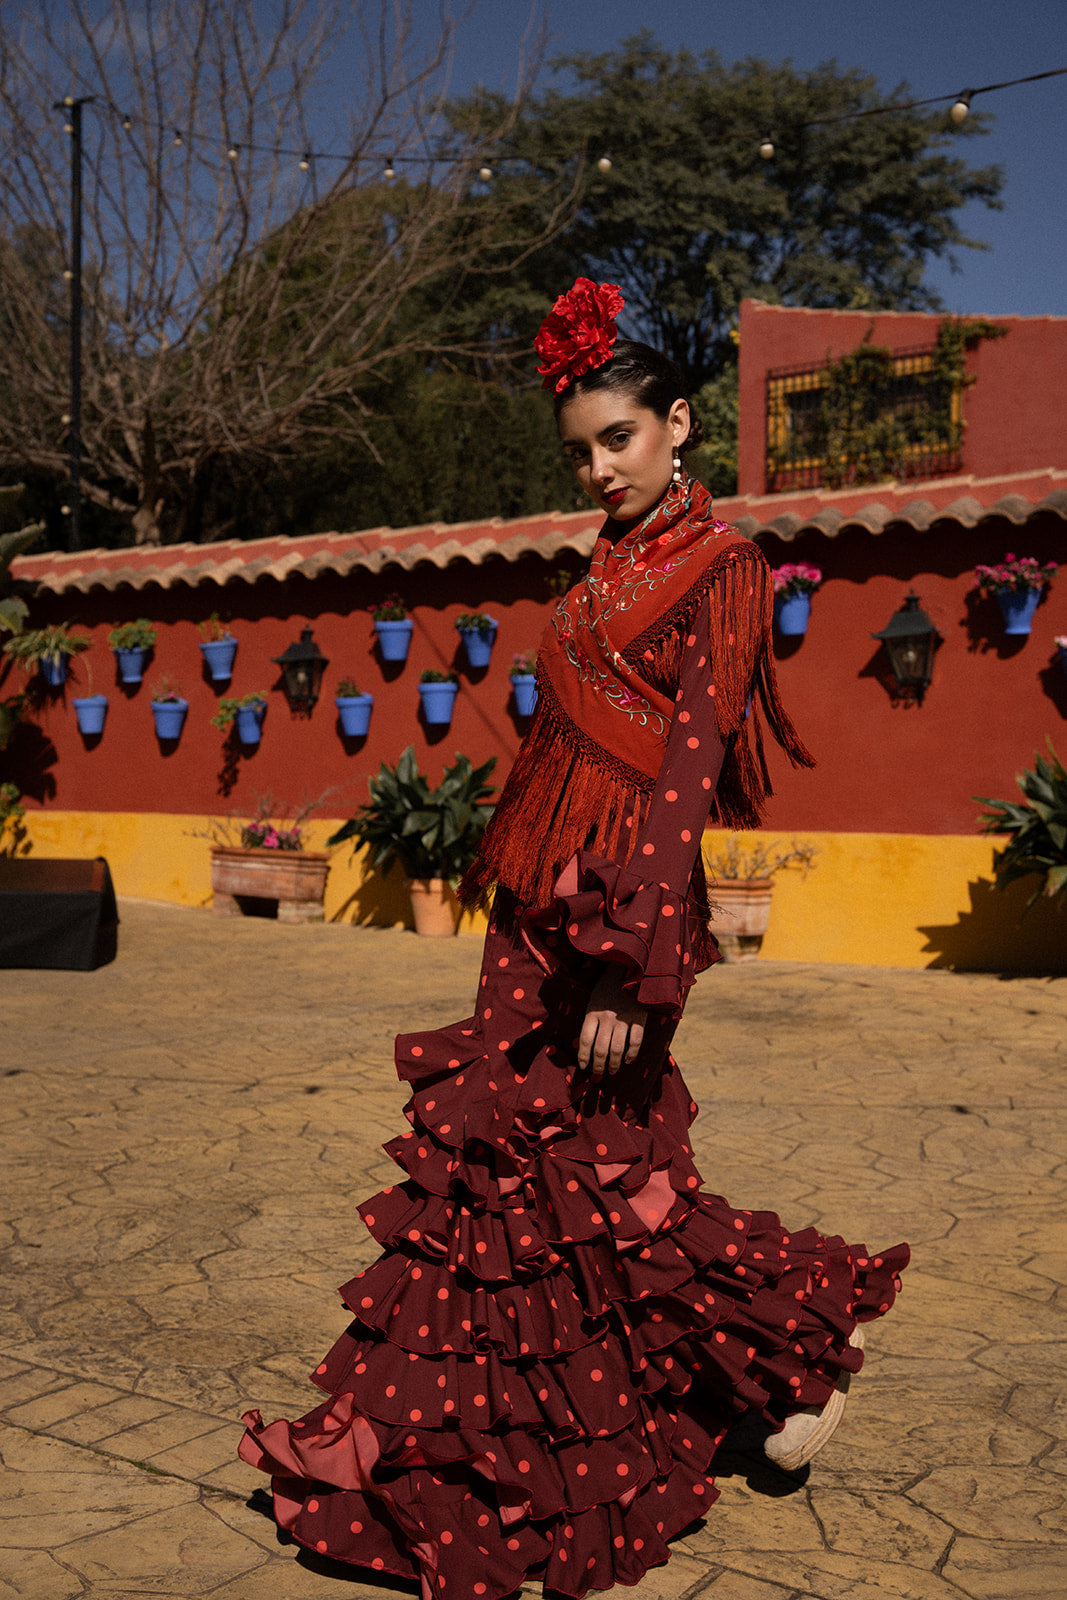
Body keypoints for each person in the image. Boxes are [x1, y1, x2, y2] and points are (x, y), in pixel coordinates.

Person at [239, 278, 908, 1598]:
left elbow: (692, 774)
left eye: (618, 437)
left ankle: (797, 1351)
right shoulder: (609, 564)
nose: (598, 466)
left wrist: (631, 962)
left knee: (610, 1185)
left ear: (678, 425)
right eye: (581, 450)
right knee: (517, 1192)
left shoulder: (722, 569)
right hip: (529, 926)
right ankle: (517, 1444)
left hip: (619, 929)